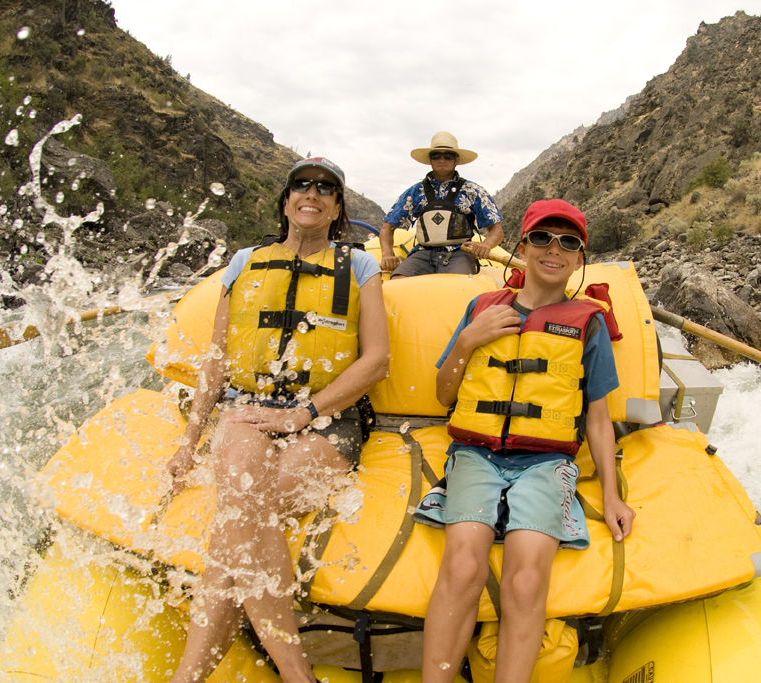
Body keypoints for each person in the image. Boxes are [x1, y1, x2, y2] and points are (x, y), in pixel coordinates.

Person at [166, 157, 389, 683]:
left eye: (326, 189)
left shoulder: (360, 267)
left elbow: (375, 359)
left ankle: (187, 678)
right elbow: (218, 359)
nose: (312, 193)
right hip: (247, 407)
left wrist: (304, 413)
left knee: (245, 514)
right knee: (246, 501)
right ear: (286, 199)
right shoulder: (245, 261)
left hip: (326, 416)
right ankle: (297, 675)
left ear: (337, 208)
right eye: (302, 185)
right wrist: (187, 442)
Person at [414, 199, 634, 682]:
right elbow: (444, 393)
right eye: (541, 238)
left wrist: (614, 495)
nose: (553, 250)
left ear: (579, 259)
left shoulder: (589, 323)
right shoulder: (482, 309)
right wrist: (470, 340)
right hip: (476, 453)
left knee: (526, 578)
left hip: (545, 462)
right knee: (463, 567)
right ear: (522, 246)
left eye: (568, 242)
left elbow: (598, 420)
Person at [378, 131, 505, 277]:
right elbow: (387, 227)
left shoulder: (473, 191)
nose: (442, 159)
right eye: (436, 155)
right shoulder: (415, 192)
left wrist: (486, 245)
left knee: (460, 286)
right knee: (398, 280)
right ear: (430, 160)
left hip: (460, 253)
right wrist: (387, 254)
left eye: (448, 156)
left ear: (456, 160)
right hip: (423, 253)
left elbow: (497, 229)